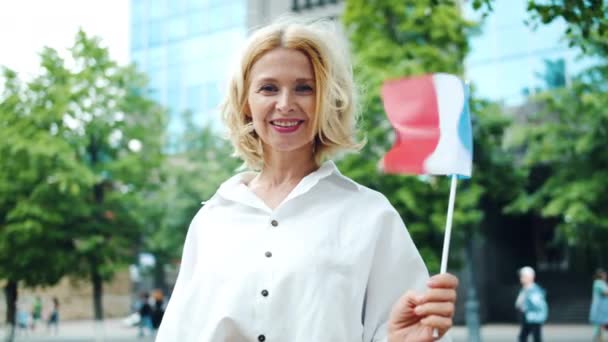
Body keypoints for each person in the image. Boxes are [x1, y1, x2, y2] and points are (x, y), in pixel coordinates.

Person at [156, 16, 459, 342]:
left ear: (327, 99)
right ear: (246, 102)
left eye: (304, 88)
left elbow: (400, 331)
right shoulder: (212, 220)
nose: (285, 104)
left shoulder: (370, 216)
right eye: (269, 88)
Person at [515, 266, 548, 342]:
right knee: (523, 337)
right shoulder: (525, 289)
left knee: (534, 337)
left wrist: (524, 307)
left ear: (530, 277)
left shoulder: (534, 291)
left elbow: (539, 305)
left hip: (533, 318)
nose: (521, 278)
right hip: (528, 317)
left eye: (523, 276)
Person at [590, 268, 608, 341]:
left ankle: (599, 339)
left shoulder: (603, 283)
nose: (605, 276)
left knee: (601, 326)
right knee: (599, 325)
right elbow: (605, 293)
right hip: (600, 308)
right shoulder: (598, 282)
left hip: (603, 308)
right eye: (604, 274)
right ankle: (598, 339)